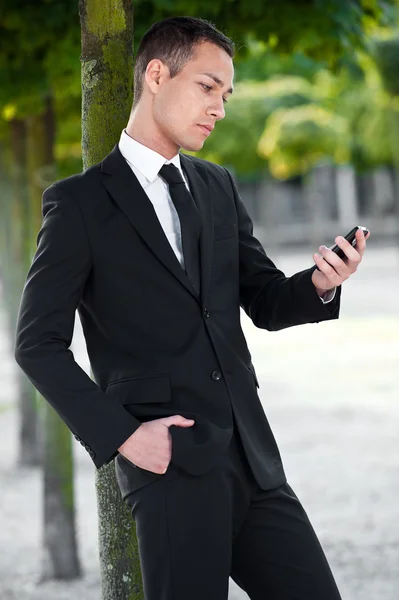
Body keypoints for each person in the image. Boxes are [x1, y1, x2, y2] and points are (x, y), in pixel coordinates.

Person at [15, 15, 369, 600]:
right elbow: (36, 344)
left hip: (254, 460)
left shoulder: (217, 186)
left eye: (226, 95)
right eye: (208, 88)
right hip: (170, 468)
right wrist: (123, 437)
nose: (220, 109)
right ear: (157, 75)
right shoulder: (78, 205)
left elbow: (266, 300)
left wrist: (322, 283)